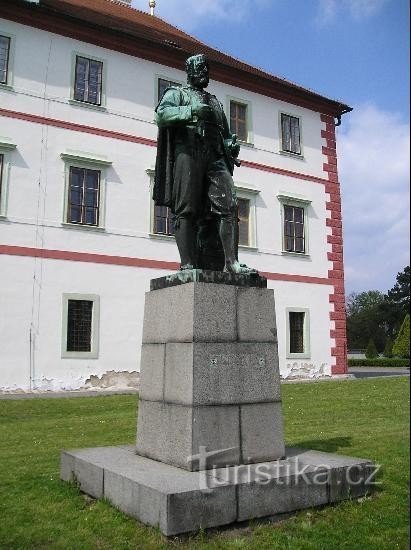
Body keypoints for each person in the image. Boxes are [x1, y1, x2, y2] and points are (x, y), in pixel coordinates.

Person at [153, 53, 256, 275]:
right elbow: (161, 115)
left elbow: (225, 134)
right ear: (189, 72)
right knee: (186, 209)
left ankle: (231, 263)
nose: (204, 73)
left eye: (206, 70)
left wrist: (231, 145)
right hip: (188, 153)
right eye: (200, 69)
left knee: (229, 206)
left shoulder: (215, 102)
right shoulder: (177, 93)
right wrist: (190, 111)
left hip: (215, 157)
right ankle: (187, 264)